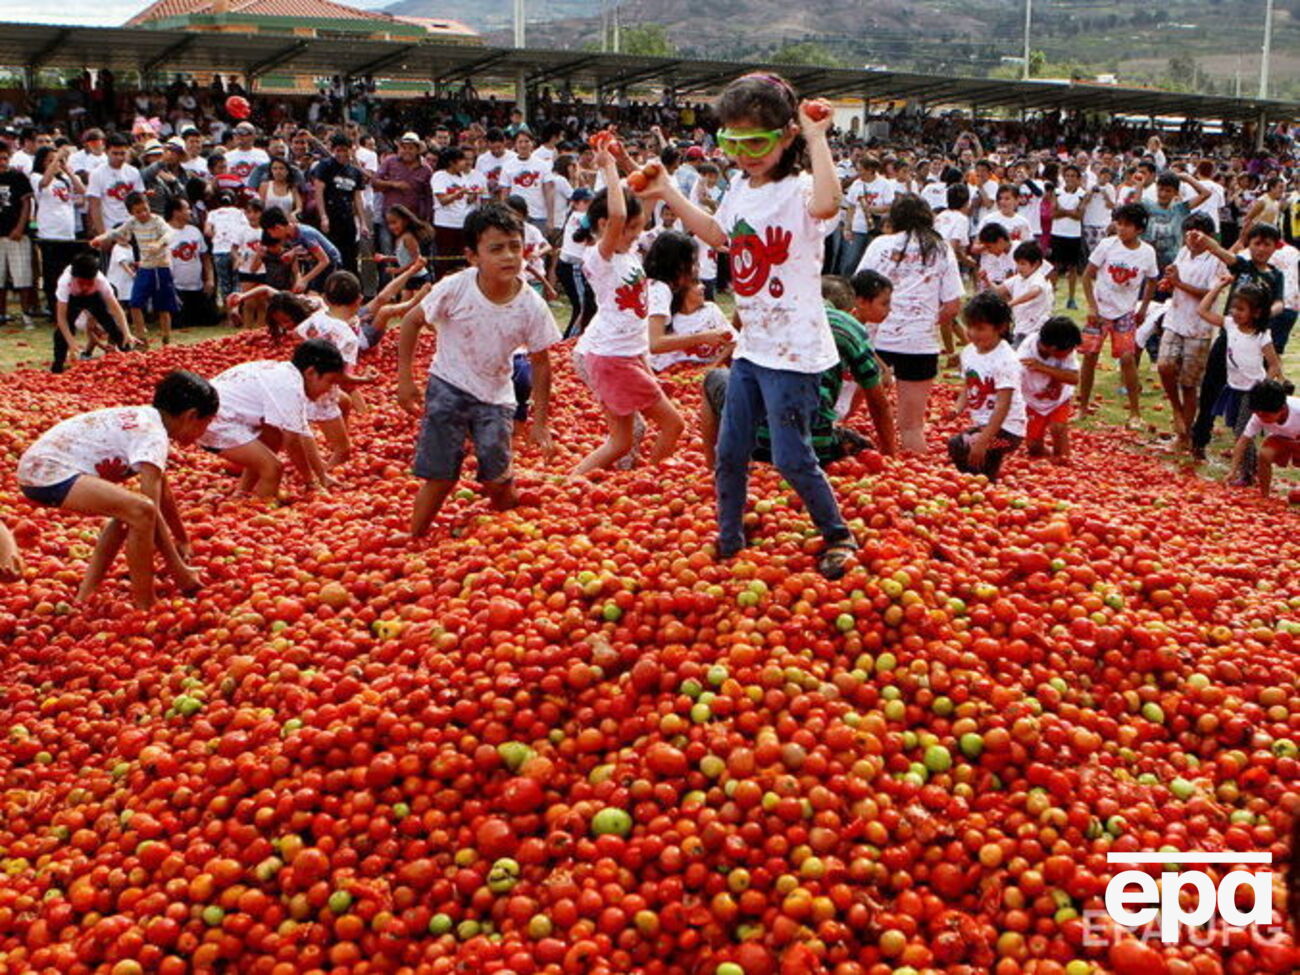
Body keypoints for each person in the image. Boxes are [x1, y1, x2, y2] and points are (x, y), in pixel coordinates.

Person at [637, 73, 857, 579]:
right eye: (731, 142)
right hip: (755, 348)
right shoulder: (739, 185)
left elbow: (828, 204)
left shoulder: (800, 189)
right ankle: (730, 536)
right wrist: (669, 189)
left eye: (755, 141)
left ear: (786, 136)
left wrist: (818, 137)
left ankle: (838, 533)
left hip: (796, 352)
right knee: (729, 449)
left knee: (789, 454)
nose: (743, 154)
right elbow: (718, 235)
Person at [396, 203, 558, 537]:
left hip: (496, 396)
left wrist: (539, 421)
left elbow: (542, 364)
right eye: (496, 249)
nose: (510, 256)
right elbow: (411, 322)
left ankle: (506, 531)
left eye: (516, 246)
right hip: (448, 385)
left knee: (496, 477)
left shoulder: (531, 305)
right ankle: (415, 536)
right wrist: (405, 380)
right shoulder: (456, 287)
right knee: (440, 474)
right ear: (473, 256)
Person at [16, 370, 216, 609]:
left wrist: (182, 539)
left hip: (38, 468)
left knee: (128, 515)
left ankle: (85, 595)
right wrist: (178, 569)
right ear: (191, 416)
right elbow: (149, 511)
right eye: (208, 422)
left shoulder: (146, 420)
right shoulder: (153, 435)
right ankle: (146, 604)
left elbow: (163, 491)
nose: (207, 431)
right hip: (47, 474)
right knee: (140, 512)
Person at [702, 272, 896, 470]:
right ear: (847, 309)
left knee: (714, 378)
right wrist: (890, 459)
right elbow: (879, 405)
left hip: (757, 442)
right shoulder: (849, 328)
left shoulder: (774, 315)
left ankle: (714, 467)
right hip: (816, 447)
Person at [571, 158, 684, 476]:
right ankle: (650, 480)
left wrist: (634, 165)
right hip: (612, 359)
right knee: (673, 424)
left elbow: (642, 203)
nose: (637, 232)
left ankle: (576, 480)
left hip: (625, 356)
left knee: (621, 442)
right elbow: (621, 213)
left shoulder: (627, 251)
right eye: (630, 228)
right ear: (606, 226)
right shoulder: (599, 258)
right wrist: (607, 166)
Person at [859, 195, 965, 453]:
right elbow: (953, 305)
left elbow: (858, 288)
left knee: (848, 410)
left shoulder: (880, 245)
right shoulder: (940, 249)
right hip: (920, 343)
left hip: (877, 339)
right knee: (912, 426)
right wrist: (926, 321)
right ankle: (913, 479)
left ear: (894, 219)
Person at [198, 338, 345, 498]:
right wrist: (311, 482)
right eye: (329, 381)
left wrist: (321, 476)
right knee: (273, 468)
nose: (329, 388)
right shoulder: (289, 387)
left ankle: (242, 493)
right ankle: (262, 509)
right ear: (310, 373)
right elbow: (293, 443)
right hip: (213, 422)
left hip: (217, 415)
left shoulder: (287, 375)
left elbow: (302, 434)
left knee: (273, 435)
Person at [1187, 224, 1285, 461]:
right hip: (1229, 340)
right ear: (1249, 244)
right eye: (1256, 243)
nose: (1261, 249)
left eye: (1267, 244)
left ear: (1275, 247)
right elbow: (1222, 252)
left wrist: (1265, 315)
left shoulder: (1275, 275)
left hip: (1255, 341)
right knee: (1210, 390)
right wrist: (1205, 240)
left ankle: (1247, 443)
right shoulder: (1243, 266)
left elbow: (1280, 302)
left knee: (1250, 394)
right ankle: (1200, 439)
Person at [1196, 277, 1282, 484]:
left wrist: (1263, 387)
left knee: (1243, 431)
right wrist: (1218, 286)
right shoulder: (1230, 325)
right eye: (1233, 307)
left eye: (1241, 309)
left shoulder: (1261, 336)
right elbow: (1203, 311)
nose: (1235, 312)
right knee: (1238, 429)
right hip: (1234, 387)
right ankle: (1249, 469)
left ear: (1257, 313)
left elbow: (1274, 365)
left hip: (1252, 390)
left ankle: (1246, 473)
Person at [1079, 202, 1159, 424]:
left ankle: (1135, 412)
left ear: (1139, 229)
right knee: (1089, 356)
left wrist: (1143, 308)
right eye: (1119, 223)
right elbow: (1087, 276)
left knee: (1127, 358)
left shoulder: (1147, 252)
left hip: (1125, 311)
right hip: (1101, 308)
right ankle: (1082, 406)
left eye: (1127, 225)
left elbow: (1153, 280)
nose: (1121, 228)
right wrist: (1092, 306)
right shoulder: (1107, 245)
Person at [1155, 213, 1221, 450]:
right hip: (1175, 319)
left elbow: (1209, 294)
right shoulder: (1183, 252)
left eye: (1198, 232)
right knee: (1164, 365)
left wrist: (1180, 283)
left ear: (1208, 236)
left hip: (1198, 328)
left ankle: (1184, 436)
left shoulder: (1215, 260)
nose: (1192, 237)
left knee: (1189, 384)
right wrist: (1171, 281)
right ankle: (1177, 408)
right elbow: (1176, 279)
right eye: (1189, 231)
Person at [947, 291, 1027, 482]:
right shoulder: (968, 353)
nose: (973, 334)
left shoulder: (1006, 360)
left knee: (964, 446)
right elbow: (969, 385)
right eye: (970, 328)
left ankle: (982, 484)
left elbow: (1003, 405)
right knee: (959, 447)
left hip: (1009, 429)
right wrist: (957, 408)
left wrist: (983, 440)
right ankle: (980, 480)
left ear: (1000, 328)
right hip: (984, 425)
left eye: (980, 328)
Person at [294, 271, 370, 468]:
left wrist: (312, 348)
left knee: (344, 402)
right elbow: (342, 379)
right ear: (359, 299)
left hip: (302, 384)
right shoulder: (348, 337)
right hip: (323, 393)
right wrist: (366, 379)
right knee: (344, 451)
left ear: (325, 298)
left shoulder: (317, 317)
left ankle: (332, 435)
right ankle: (323, 473)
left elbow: (296, 333)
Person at [90, 191, 178, 346]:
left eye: (145, 209)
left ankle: (166, 338)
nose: (143, 214)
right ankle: (141, 337)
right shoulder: (132, 223)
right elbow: (117, 232)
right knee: (135, 303)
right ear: (131, 212)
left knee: (163, 307)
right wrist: (100, 238)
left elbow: (169, 233)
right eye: (138, 211)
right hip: (145, 267)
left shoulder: (157, 221)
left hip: (160, 266)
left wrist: (159, 244)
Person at [643, 230, 736, 374]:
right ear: (678, 264)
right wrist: (703, 337)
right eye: (692, 261)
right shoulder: (659, 290)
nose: (695, 268)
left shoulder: (652, 285)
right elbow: (655, 344)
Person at [1019, 316, 1082, 462]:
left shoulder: (1065, 346)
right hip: (1033, 401)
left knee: (1058, 428)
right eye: (1070, 349)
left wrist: (1042, 368)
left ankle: (1061, 460)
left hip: (1059, 399)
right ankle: (1052, 458)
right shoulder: (1024, 355)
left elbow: (1074, 378)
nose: (1073, 351)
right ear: (1053, 348)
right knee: (1034, 448)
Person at [1232, 379, 1300, 498]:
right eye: (1258, 414)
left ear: (1282, 408)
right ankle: (1264, 496)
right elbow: (1242, 441)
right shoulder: (1259, 415)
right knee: (1264, 455)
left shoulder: (1297, 410)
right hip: (1280, 438)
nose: (1262, 418)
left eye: (1266, 415)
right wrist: (1233, 470)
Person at [312, 133, 368, 275]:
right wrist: (323, 216)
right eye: (338, 150)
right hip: (330, 215)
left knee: (350, 257)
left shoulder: (355, 172)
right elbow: (318, 192)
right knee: (330, 255)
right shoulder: (325, 166)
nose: (341, 154)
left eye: (345, 150)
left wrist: (363, 222)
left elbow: (357, 198)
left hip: (347, 217)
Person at [430, 147, 487, 280]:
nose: (465, 163)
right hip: (445, 224)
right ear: (452, 162)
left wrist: (473, 195)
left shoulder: (463, 177)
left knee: (462, 259)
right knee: (445, 259)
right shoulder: (440, 176)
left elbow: (466, 201)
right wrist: (457, 194)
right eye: (462, 160)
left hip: (462, 223)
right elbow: (442, 199)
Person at [372, 132, 433, 252]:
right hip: (390, 218)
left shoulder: (426, 169)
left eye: (411, 148)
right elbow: (374, 182)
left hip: (413, 220)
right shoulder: (390, 162)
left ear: (417, 150)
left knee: (412, 254)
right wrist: (393, 184)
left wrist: (426, 220)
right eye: (404, 147)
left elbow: (428, 197)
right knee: (387, 251)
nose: (407, 151)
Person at [260, 206, 340, 294]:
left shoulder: (305, 234)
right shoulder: (290, 235)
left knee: (320, 295)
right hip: (314, 263)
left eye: (270, 233)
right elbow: (301, 247)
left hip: (331, 263)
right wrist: (292, 253)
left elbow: (324, 260)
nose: (271, 236)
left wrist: (304, 280)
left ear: (278, 227)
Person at [0, 141, 36, 329]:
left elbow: (26, 203)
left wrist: (21, 227)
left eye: (5, 158)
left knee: (22, 276)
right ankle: (2, 314)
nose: (2, 162)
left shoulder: (18, 177)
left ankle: (26, 313)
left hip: (16, 234)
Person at [166, 197, 215, 328]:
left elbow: (205, 257)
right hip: (176, 289)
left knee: (207, 322)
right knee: (180, 324)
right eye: (186, 209)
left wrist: (210, 279)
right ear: (176, 212)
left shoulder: (194, 231)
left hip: (197, 287)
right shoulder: (164, 232)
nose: (190, 212)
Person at [85, 133, 143, 238]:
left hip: (133, 228)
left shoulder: (133, 172)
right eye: (115, 154)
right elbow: (95, 206)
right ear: (106, 152)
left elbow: (140, 201)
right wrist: (102, 235)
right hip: (110, 228)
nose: (119, 157)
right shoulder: (97, 173)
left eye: (122, 153)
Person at [997, 240, 1053, 349]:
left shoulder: (1038, 278)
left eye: (1023, 264)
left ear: (1036, 264)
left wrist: (1012, 303)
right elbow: (999, 290)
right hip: (1021, 328)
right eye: (1017, 263)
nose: (1019, 267)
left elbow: (1035, 291)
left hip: (1035, 329)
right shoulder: (1018, 278)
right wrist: (986, 281)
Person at [556, 188, 594, 338]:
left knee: (585, 307)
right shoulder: (578, 216)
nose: (589, 205)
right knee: (582, 308)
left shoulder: (581, 216)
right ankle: (568, 342)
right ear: (575, 203)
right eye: (585, 202)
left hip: (574, 266)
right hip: (573, 266)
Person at [500, 131, 554, 233]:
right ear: (515, 145)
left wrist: (551, 218)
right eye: (520, 142)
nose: (523, 145)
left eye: (526, 141)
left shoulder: (542, 165)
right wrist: (504, 215)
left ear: (532, 143)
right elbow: (504, 193)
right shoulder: (507, 166)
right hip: (515, 215)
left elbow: (549, 192)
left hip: (538, 215)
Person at [1050, 164, 1086, 308]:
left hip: (1073, 235)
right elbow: (1053, 214)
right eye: (1067, 176)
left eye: (1073, 176)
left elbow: (1079, 215)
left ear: (1078, 179)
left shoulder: (1083, 194)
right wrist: (1070, 211)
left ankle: (1071, 299)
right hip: (1057, 233)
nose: (1070, 179)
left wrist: (1062, 211)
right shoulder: (1057, 192)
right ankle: (1051, 297)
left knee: (1073, 268)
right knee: (1055, 266)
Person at [205, 191, 249, 308]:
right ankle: (237, 308)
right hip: (236, 250)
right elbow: (246, 228)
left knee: (224, 283)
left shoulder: (212, 213)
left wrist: (217, 236)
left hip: (219, 251)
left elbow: (207, 231)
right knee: (237, 281)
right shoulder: (239, 213)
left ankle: (228, 311)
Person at [383, 204, 433, 297]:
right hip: (409, 277)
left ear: (405, 221)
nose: (391, 227)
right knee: (405, 305)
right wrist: (385, 258)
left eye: (394, 223)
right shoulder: (399, 238)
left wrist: (398, 270)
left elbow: (417, 260)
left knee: (417, 306)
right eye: (389, 224)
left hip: (419, 278)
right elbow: (403, 258)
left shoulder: (408, 238)